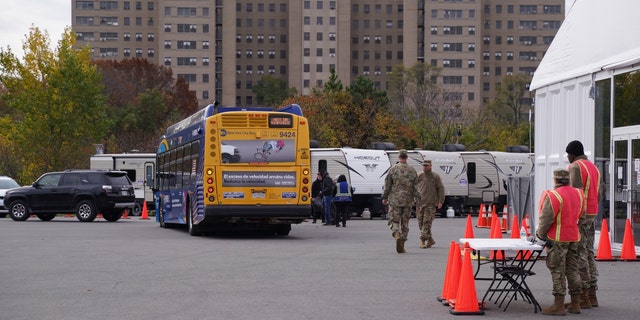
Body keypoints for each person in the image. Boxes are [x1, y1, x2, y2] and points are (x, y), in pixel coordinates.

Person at [536, 168, 585, 316]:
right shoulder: (579, 194)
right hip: (574, 236)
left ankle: (558, 305)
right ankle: (576, 303)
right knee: (573, 270)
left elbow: (546, 219)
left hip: (557, 238)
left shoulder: (554, 196)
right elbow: (581, 216)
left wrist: (540, 235)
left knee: (557, 271)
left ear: (556, 180)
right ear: (568, 179)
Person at [566, 140, 602, 308]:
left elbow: (574, 192)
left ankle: (583, 296)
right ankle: (592, 293)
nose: (567, 157)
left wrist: (571, 215)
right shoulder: (594, 168)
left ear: (573, 154)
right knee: (588, 252)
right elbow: (600, 192)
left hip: (580, 214)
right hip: (593, 212)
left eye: (568, 154)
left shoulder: (575, 167)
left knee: (578, 253)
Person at [381, 149, 418, 253]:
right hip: (408, 201)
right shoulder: (412, 170)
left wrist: (384, 197)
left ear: (399, 157)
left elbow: (387, 185)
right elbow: (416, 188)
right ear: (406, 157)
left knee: (394, 220)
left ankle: (396, 235)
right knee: (405, 223)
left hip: (395, 200)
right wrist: (418, 202)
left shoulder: (393, 169)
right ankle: (402, 243)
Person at [415, 159, 445, 249]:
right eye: (424, 165)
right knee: (421, 223)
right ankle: (430, 239)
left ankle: (422, 240)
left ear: (430, 166)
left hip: (431, 204)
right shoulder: (419, 175)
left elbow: (441, 189)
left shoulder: (435, 176)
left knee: (427, 223)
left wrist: (440, 201)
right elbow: (414, 188)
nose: (425, 167)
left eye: (427, 165)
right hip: (420, 203)